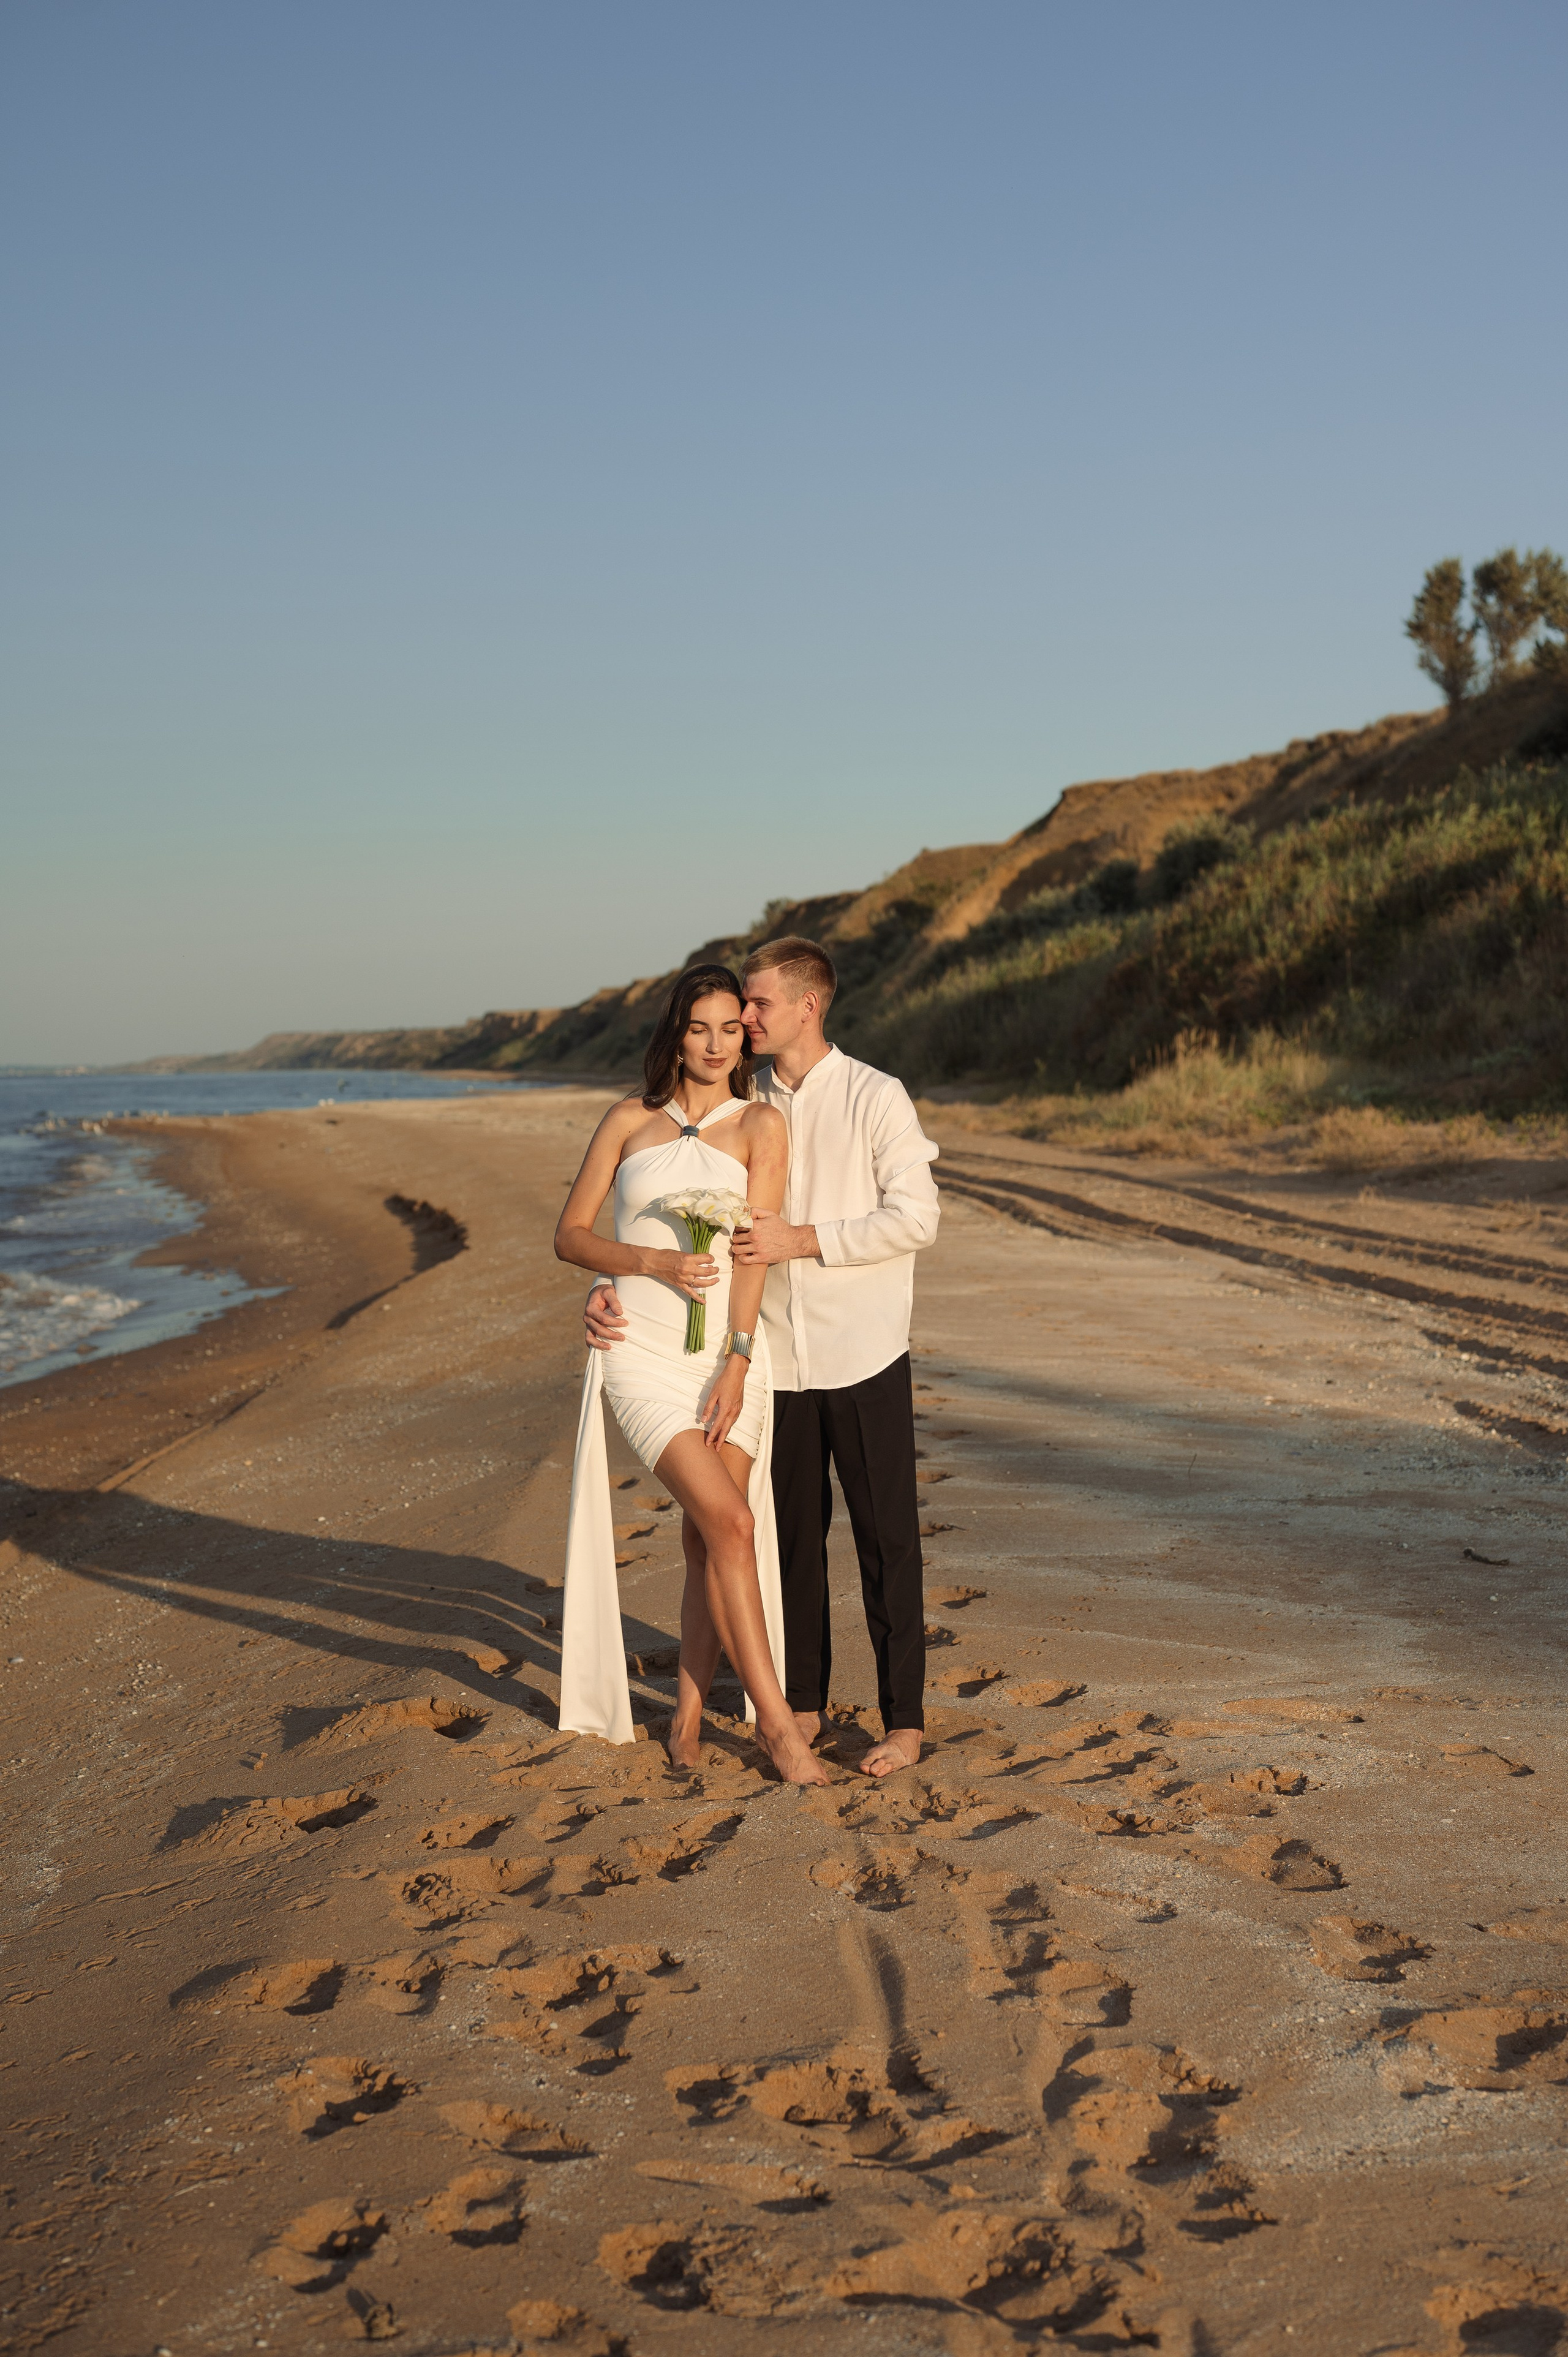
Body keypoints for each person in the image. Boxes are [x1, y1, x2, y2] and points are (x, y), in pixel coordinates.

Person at [586, 936, 940, 1779]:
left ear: (808, 1006)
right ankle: (805, 1705)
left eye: (758, 1005)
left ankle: (905, 1721)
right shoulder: (744, 1100)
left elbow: (918, 1217)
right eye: (737, 1008)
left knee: (887, 1540)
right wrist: (607, 1290)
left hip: (863, 1351)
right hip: (770, 1358)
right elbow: (663, 1213)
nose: (744, 1020)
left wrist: (805, 1240)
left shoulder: (875, 1096)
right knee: (792, 1543)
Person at [554, 963, 827, 1787]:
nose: (715, 1045)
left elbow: (754, 1257)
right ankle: (778, 1729)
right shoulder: (627, 1121)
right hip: (638, 1349)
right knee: (733, 1524)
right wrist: (644, 1265)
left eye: (729, 1029)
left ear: (746, 1036)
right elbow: (570, 1235)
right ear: (676, 1032)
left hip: (727, 1359)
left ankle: (685, 1716)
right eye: (698, 1027)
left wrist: (739, 1360)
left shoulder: (761, 1128)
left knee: (707, 1542)